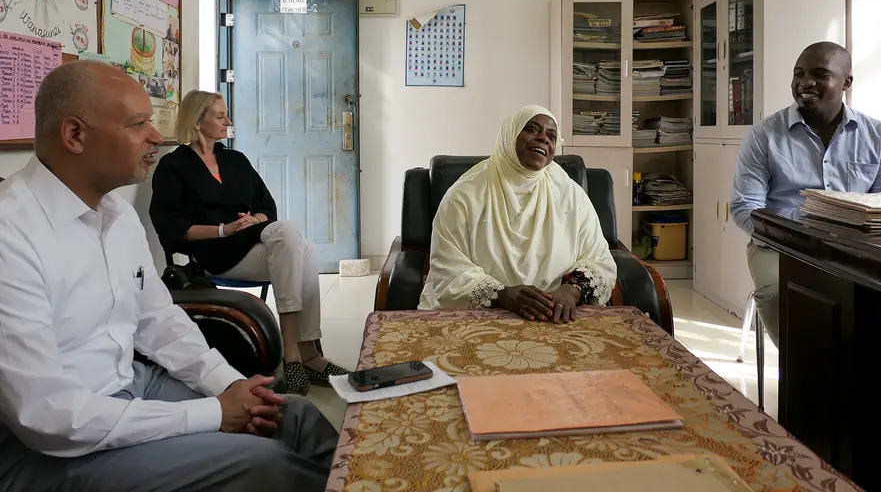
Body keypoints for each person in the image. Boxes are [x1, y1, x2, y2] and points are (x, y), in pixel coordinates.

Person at [0, 62, 337, 491]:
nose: (157, 137)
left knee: (293, 416)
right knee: (266, 465)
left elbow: (159, 322)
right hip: (52, 442)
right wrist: (214, 412)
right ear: (75, 135)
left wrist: (231, 385)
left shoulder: (117, 216)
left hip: (132, 386)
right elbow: (47, 416)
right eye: (139, 124)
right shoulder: (11, 233)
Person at [149, 90, 348, 396]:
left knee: (298, 243)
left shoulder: (235, 160)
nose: (228, 121)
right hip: (214, 254)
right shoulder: (173, 166)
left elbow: (267, 207)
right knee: (299, 246)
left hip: (251, 244)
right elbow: (172, 228)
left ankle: (299, 355)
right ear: (197, 120)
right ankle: (301, 355)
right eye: (220, 115)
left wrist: (254, 220)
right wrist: (222, 230)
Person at [731, 41, 881, 348]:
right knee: (781, 293)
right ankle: (804, 376)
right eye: (799, 73)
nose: (805, 82)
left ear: (846, 82)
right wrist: (798, 235)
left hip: (855, 252)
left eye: (820, 74)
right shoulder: (764, 135)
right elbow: (745, 207)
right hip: (780, 247)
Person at [418, 105, 618, 322]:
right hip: (484, 315)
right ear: (509, 135)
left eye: (551, 136)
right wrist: (502, 294)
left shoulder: (570, 194)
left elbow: (599, 260)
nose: (544, 139)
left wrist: (571, 291)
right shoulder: (464, 194)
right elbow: (448, 269)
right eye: (532, 129)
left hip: (556, 314)